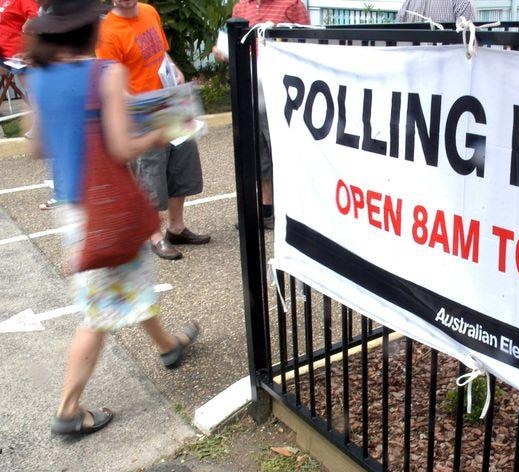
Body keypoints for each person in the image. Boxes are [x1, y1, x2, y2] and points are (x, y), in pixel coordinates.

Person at [25, 0, 200, 437]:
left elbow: (37, 147)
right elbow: (124, 148)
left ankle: (169, 346)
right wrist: (166, 129)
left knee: (127, 279)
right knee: (98, 311)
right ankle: (68, 410)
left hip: (74, 206)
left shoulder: (37, 77)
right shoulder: (105, 75)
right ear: (90, 30)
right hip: (108, 209)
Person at [96, 0, 210, 260]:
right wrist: (131, 104)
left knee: (182, 164)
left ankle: (177, 226)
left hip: (169, 99)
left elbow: (161, 52)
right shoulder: (108, 31)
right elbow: (110, 76)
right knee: (150, 175)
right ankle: (154, 236)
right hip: (143, 110)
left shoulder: (149, 12)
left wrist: (175, 68)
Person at [212, 0, 310, 230]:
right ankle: (266, 208)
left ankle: (295, 209)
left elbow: (307, 43)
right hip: (250, 89)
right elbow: (230, 42)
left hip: (281, 91)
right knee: (257, 151)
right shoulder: (241, 7)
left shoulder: (291, 4)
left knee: (285, 149)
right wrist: (221, 52)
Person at [395, 0, 475, 23]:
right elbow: (470, 48)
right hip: (446, 62)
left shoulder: (408, 3)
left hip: (412, 61)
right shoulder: (462, 4)